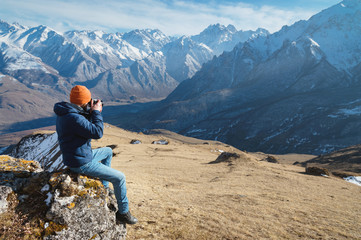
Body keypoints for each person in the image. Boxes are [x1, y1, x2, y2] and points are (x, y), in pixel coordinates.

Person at [53, 85, 138, 225]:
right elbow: (97, 133)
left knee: (108, 152)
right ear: (84, 102)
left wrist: (90, 111)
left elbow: (81, 122)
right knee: (120, 178)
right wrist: (96, 112)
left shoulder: (66, 112)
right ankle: (123, 213)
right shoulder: (74, 118)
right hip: (81, 163)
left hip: (80, 155)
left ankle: (104, 188)